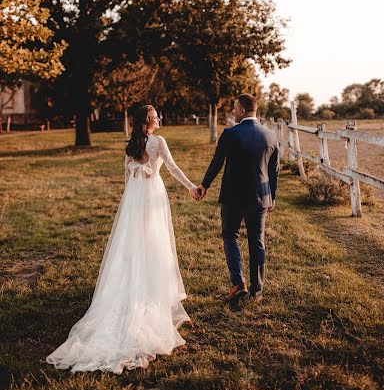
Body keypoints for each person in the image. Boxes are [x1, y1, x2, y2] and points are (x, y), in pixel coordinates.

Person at [46, 105, 198, 374]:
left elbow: (127, 178)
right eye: (156, 117)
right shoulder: (159, 142)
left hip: (135, 200)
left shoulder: (132, 145)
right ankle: (152, 296)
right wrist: (192, 188)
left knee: (134, 247)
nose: (159, 119)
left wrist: (132, 201)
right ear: (148, 121)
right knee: (155, 246)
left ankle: (133, 288)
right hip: (151, 198)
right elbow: (172, 168)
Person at [196, 94, 279, 305]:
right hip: (261, 197)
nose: (233, 111)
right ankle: (257, 291)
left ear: (242, 110)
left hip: (233, 196)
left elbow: (217, 162)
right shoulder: (270, 136)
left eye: (234, 108)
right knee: (257, 241)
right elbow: (273, 171)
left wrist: (204, 185)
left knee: (230, 235)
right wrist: (273, 196)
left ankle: (238, 283)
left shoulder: (230, 134)